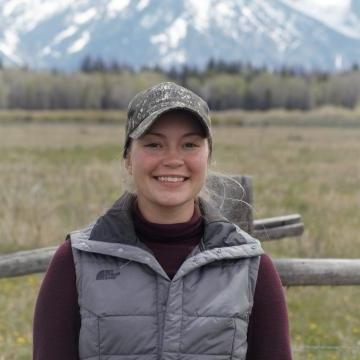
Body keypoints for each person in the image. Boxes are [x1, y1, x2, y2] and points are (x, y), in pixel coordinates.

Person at [33, 82, 292, 359]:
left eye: (189, 145)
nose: (172, 159)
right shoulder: (76, 262)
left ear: (208, 158)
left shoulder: (250, 267)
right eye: (154, 144)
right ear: (128, 159)